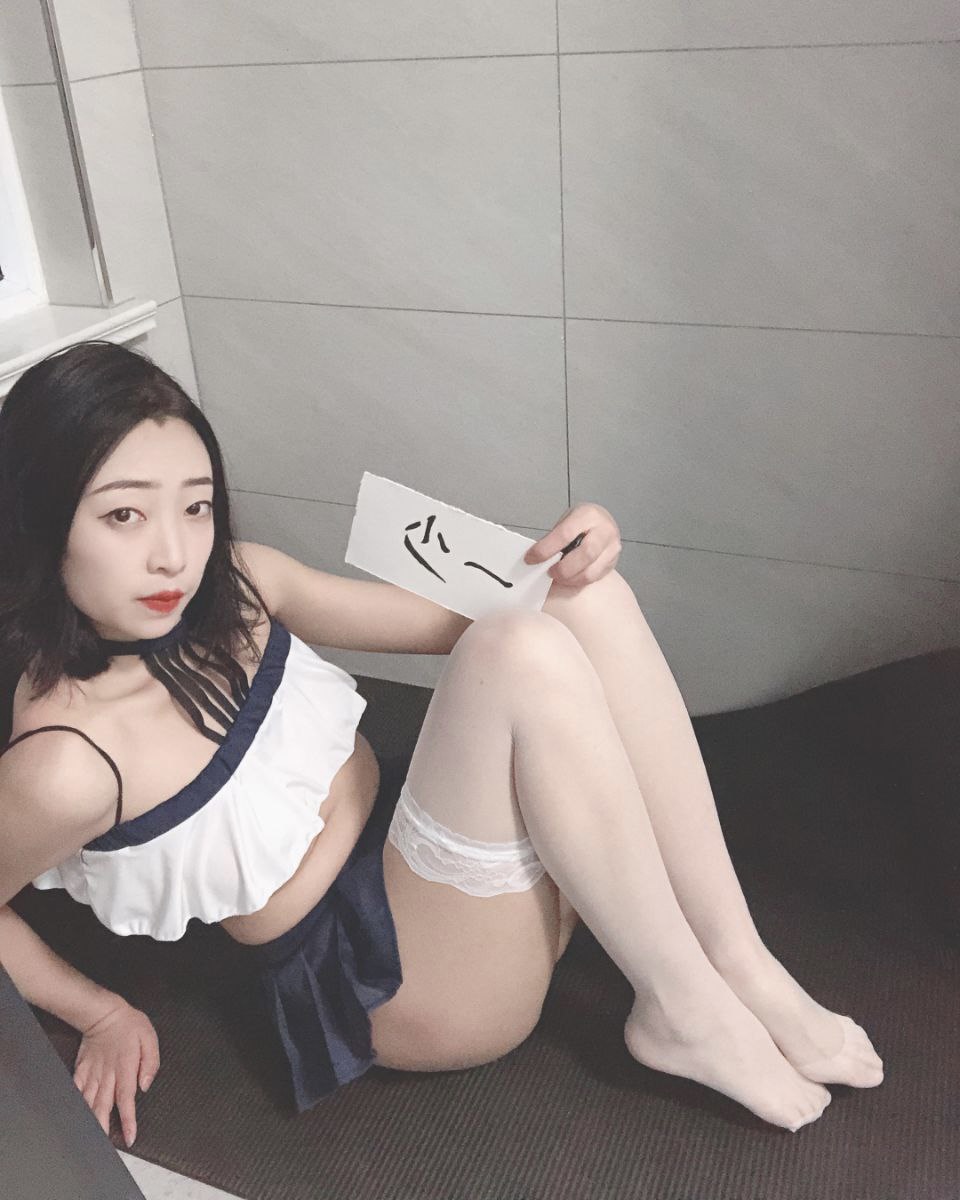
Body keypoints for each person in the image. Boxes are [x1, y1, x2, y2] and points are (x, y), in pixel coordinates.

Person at [0, 342, 882, 1150]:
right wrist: (99, 1011)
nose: (173, 556)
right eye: (123, 516)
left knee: (578, 603)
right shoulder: (65, 763)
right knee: (520, 649)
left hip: (417, 855)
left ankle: (738, 962)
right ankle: (682, 1010)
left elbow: (463, 617)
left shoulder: (237, 584)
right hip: (397, 982)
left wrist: (570, 560)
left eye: (195, 507)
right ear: (41, 519)